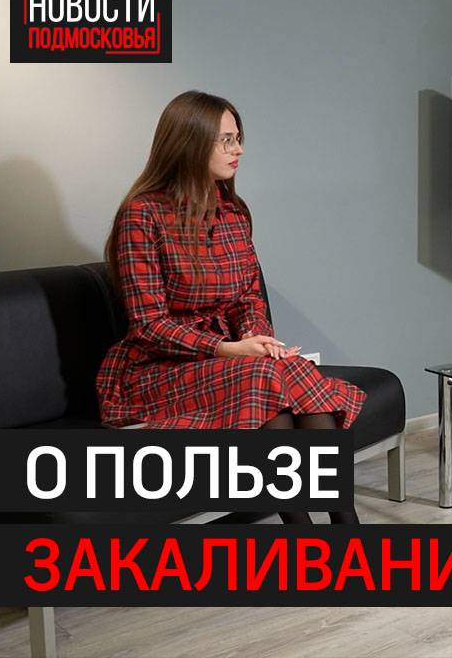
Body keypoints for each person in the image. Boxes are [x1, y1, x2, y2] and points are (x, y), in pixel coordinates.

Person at [95, 90, 366, 526]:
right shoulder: (142, 215)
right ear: (189, 142)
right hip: (157, 367)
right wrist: (227, 349)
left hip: (227, 358)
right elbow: (149, 326)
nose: (238, 149)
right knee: (263, 377)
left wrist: (258, 338)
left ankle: (345, 526)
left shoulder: (233, 212)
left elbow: (248, 298)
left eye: (238, 138)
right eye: (225, 140)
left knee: (290, 368)